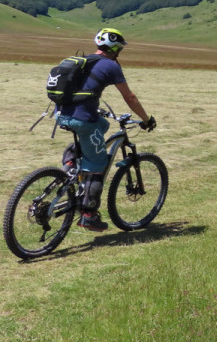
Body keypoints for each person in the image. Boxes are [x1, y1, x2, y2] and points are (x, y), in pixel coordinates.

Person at [56, 28, 156, 232]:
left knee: (102, 125)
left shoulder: (85, 60)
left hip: (62, 115)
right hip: (83, 119)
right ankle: (88, 216)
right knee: (97, 165)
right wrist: (146, 119)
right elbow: (130, 97)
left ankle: (70, 162)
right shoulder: (111, 65)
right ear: (116, 47)